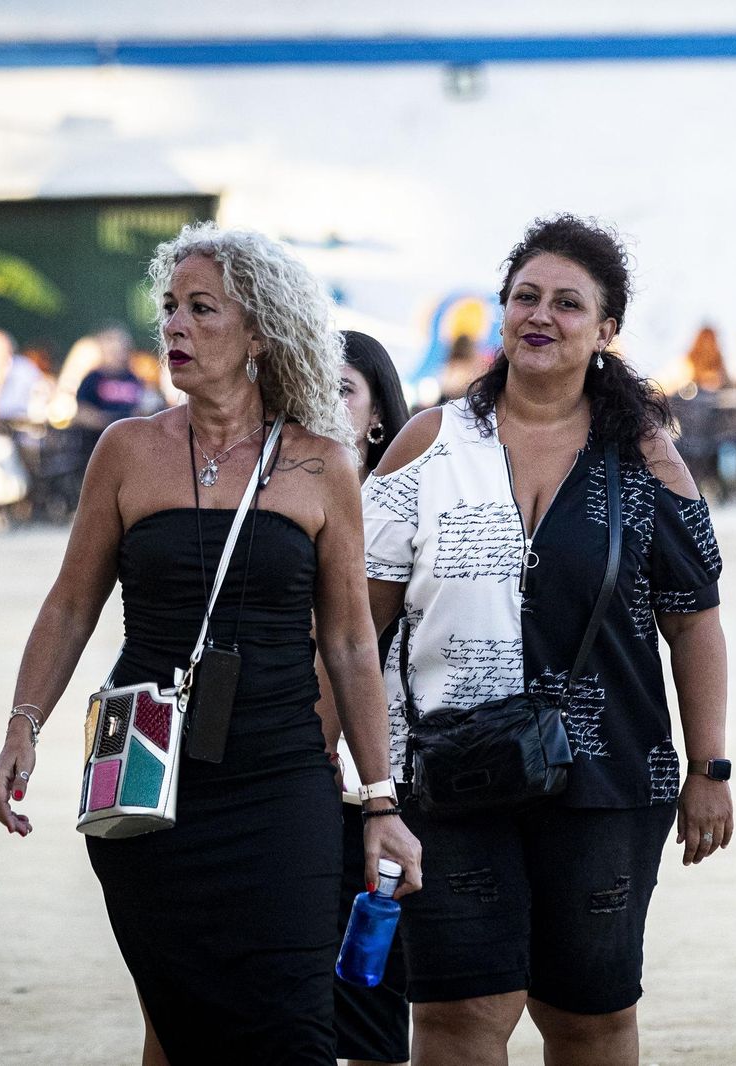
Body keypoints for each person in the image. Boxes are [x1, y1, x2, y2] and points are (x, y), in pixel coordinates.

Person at [0, 222, 422, 1065]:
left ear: (258, 332)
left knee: (292, 1028)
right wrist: (23, 725)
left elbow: (350, 643)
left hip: (280, 779)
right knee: (183, 1029)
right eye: (169, 308)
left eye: (201, 310)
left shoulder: (319, 463)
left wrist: (379, 800)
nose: (174, 327)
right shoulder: (127, 450)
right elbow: (73, 604)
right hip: (142, 769)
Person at [362, 214, 732, 1066]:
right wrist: (359, 775)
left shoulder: (646, 455)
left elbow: (695, 618)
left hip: (609, 780)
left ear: (606, 332)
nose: (542, 315)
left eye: (569, 304)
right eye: (525, 296)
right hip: (446, 776)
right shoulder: (430, 442)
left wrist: (710, 769)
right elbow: (356, 621)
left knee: (590, 1019)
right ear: (499, 313)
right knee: (458, 1015)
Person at [319, 329, 414, 1066]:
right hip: (295, 767)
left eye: (343, 388)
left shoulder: (403, 502)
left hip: (382, 777)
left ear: (379, 416)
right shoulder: (265, 497)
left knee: (372, 986)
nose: (323, 400)